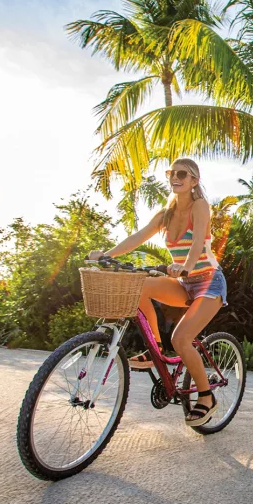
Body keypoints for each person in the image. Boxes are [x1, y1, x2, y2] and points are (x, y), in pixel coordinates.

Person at [88, 158, 227, 427]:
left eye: (183, 174)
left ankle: (207, 396)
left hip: (209, 281)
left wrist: (185, 266)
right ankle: (156, 351)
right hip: (184, 282)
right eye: (172, 173)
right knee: (138, 286)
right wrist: (105, 255)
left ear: (194, 181)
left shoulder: (200, 205)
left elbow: (198, 241)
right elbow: (136, 237)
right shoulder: (165, 214)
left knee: (182, 338)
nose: (176, 177)